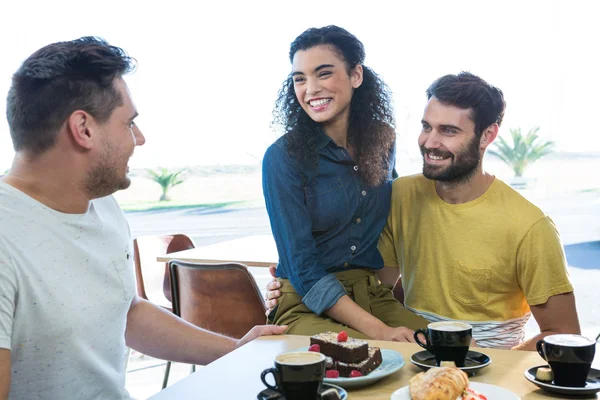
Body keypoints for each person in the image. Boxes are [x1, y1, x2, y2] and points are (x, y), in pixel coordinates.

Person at [0, 37, 286, 399]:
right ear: (83, 129)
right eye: (129, 123)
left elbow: (125, 312)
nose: (140, 138)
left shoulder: (101, 203)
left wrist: (237, 351)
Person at [266, 72, 581, 351]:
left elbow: (564, 335)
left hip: (490, 367)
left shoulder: (530, 226)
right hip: (413, 350)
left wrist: (492, 368)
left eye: (448, 131)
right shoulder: (401, 196)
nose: (430, 141)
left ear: (487, 135)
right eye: (426, 126)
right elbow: (375, 284)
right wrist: (295, 283)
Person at [262, 25, 427, 342]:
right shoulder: (282, 158)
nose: (309, 89)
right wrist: (381, 332)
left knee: (443, 348)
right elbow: (303, 268)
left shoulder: (383, 140)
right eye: (299, 79)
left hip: (373, 297)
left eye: (323, 74)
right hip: (306, 304)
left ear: (356, 76)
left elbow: (385, 223)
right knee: (363, 355)